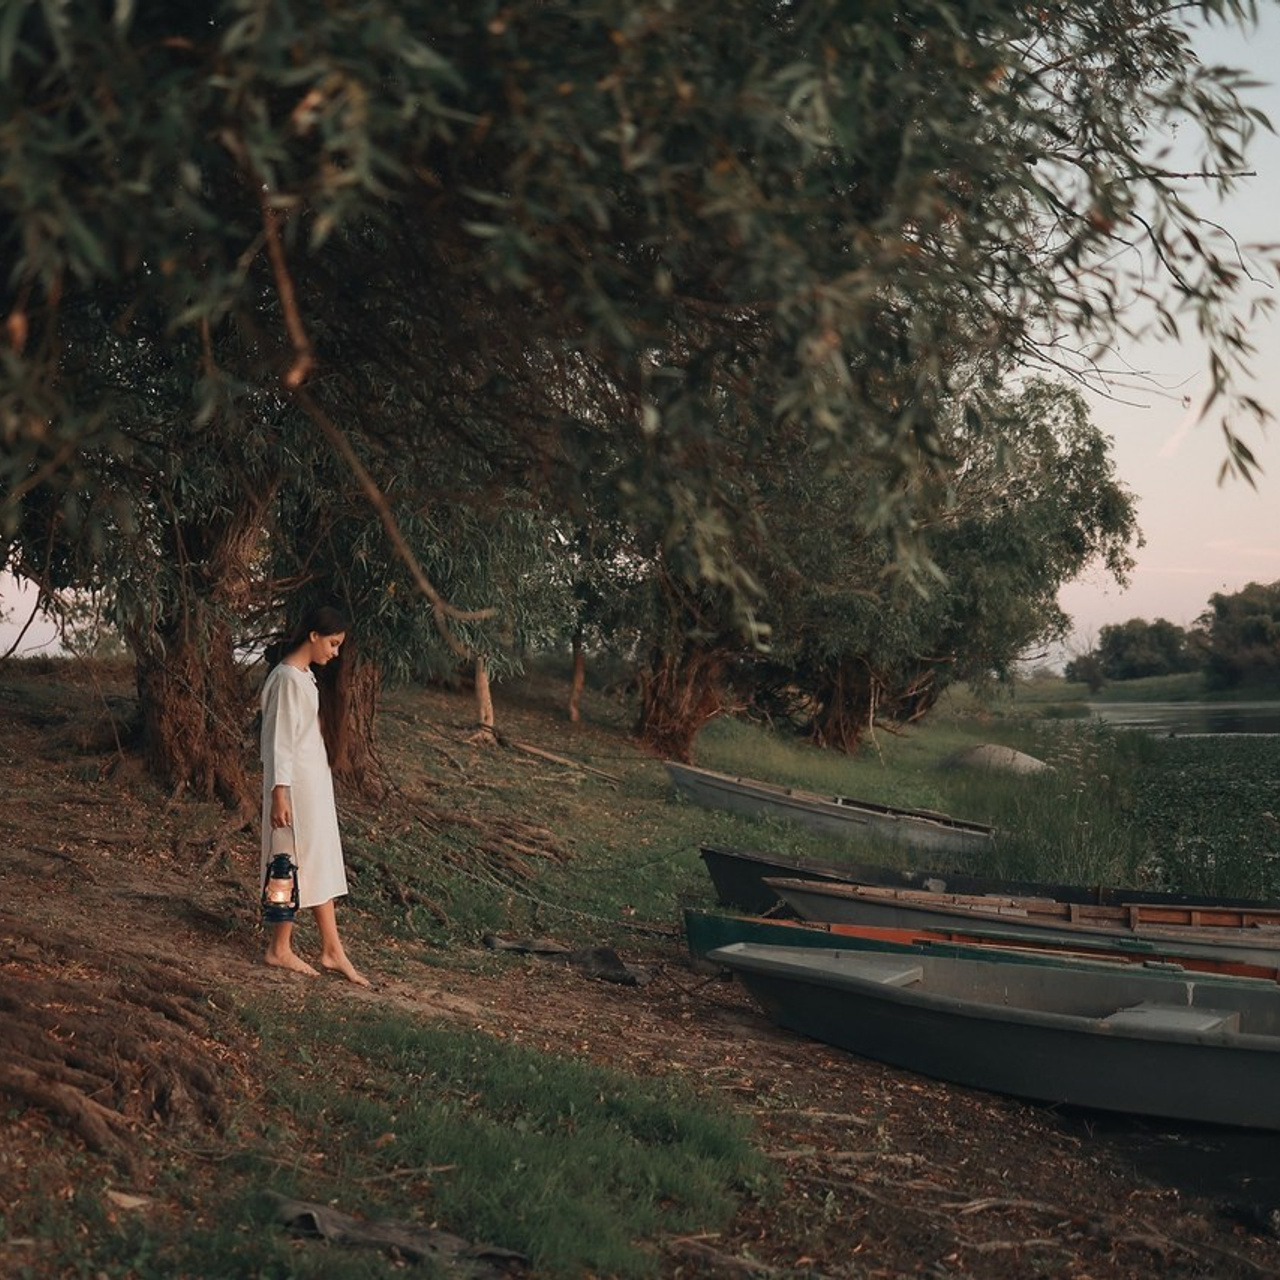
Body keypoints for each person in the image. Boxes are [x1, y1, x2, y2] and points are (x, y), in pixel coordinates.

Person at [259, 604, 370, 986]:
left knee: (318, 863)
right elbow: (278, 742)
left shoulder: (305, 677)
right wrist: (279, 792)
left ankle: (331, 948)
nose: (335, 653)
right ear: (313, 635)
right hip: (292, 790)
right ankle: (279, 947)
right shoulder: (287, 678)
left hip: (312, 786)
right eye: (333, 644)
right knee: (285, 865)